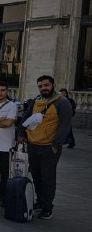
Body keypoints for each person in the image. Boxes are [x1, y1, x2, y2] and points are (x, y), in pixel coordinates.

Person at [16, 75, 73, 219]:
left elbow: (65, 126)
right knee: (36, 176)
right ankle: (40, 202)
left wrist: (56, 145)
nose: (43, 88)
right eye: (40, 86)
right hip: (33, 145)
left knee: (47, 178)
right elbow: (26, 117)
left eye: (46, 85)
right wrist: (21, 133)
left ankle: (48, 208)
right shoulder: (37, 100)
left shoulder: (62, 102)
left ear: (53, 85)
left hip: (49, 147)